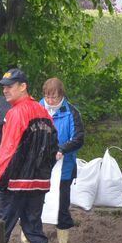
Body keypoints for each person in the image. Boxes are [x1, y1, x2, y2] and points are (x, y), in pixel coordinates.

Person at [0, 68, 58, 243]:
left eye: (10, 86)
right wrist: (43, 173)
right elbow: (53, 147)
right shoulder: (43, 112)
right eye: (3, 87)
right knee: (34, 228)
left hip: (15, 182)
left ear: (23, 86)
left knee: (0, 227)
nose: (5, 90)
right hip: (38, 183)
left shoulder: (16, 113)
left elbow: (7, 150)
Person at [40, 78, 84, 230]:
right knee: (34, 205)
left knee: (61, 206)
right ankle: (30, 241)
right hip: (38, 167)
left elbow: (78, 139)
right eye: (47, 97)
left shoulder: (72, 112)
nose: (51, 101)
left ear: (62, 96)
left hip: (64, 168)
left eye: (55, 97)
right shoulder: (36, 108)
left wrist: (61, 149)